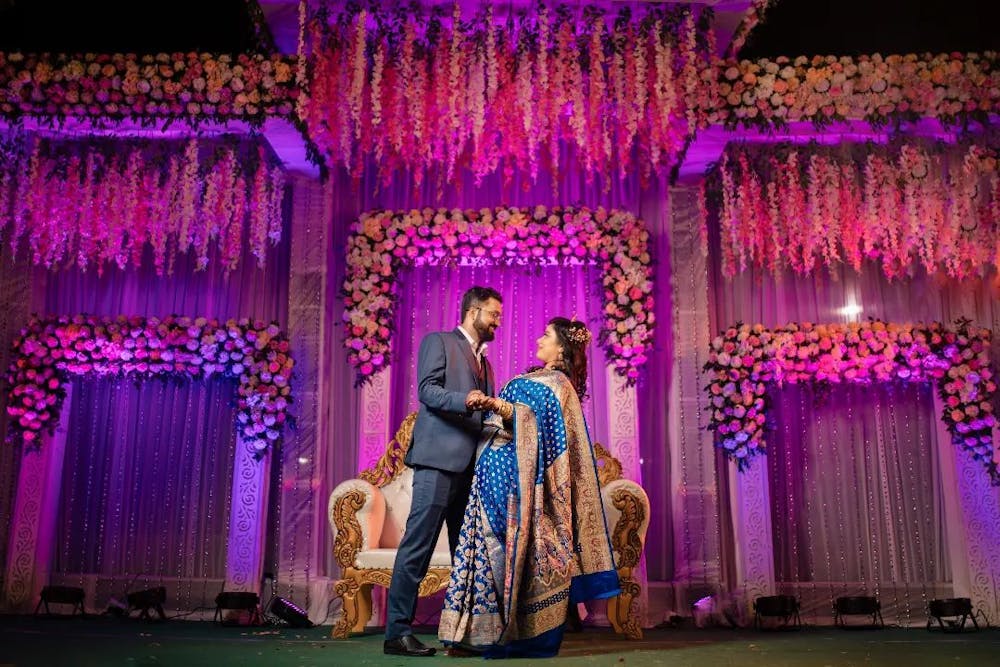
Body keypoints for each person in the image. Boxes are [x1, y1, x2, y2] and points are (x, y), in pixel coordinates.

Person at [438, 317, 620, 658]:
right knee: (483, 551)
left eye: (547, 335)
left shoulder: (559, 385)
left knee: (506, 554)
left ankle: (502, 635)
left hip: (519, 481)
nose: (539, 339)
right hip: (491, 476)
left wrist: (497, 405)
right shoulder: (537, 378)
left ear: (562, 347)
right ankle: (471, 636)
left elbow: (542, 431)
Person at [383, 286, 503, 657]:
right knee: (417, 548)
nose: (497, 321)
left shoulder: (487, 364)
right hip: (436, 462)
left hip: (471, 471)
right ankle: (397, 633)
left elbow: (483, 416)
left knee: (466, 554)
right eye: (493, 314)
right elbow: (428, 391)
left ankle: (463, 635)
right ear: (473, 311)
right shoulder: (438, 342)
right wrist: (465, 399)